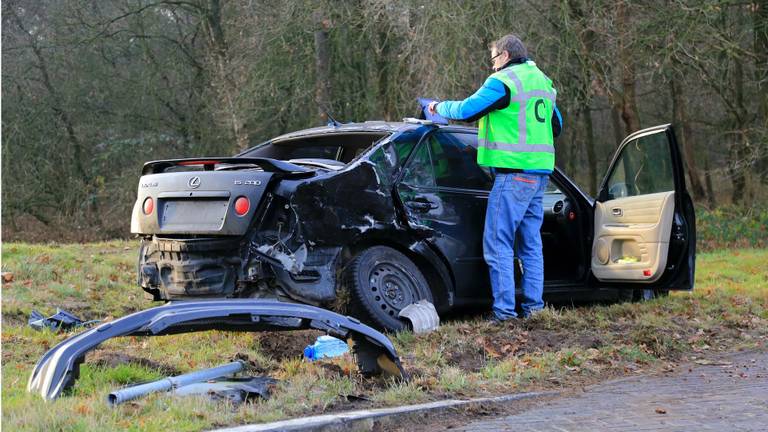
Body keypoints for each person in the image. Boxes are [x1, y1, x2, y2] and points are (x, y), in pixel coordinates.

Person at [427, 34, 561, 322]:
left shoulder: (503, 82)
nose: (492, 66)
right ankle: (535, 310)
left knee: (498, 243)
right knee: (530, 245)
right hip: (539, 175)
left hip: (513, 176)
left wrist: (437, 107)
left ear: (505, 55)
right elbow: (556, 126)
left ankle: (504, 313)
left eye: (493, 59)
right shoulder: (543, 82)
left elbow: (465, 111)